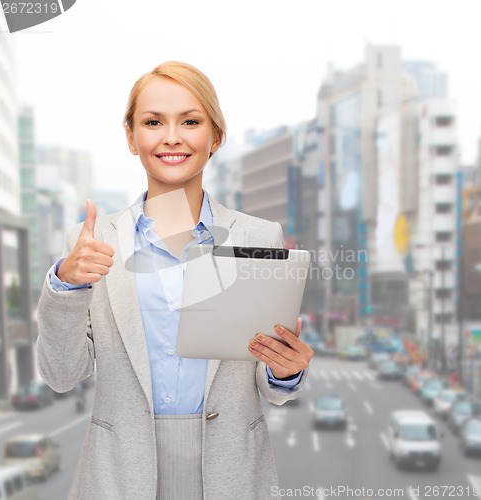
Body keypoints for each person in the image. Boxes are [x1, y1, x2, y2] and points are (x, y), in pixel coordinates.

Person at [36, 61, 313, 500]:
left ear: (215, 137)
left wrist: (284, 372)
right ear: (131, 137)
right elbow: (61, 375)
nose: (171, 137)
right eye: (152, 122)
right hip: (118, 477)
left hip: (232, 476)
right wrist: (65, 287)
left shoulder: (260, 237)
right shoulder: (91, 242)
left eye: (190, 121)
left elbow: (267, 380)